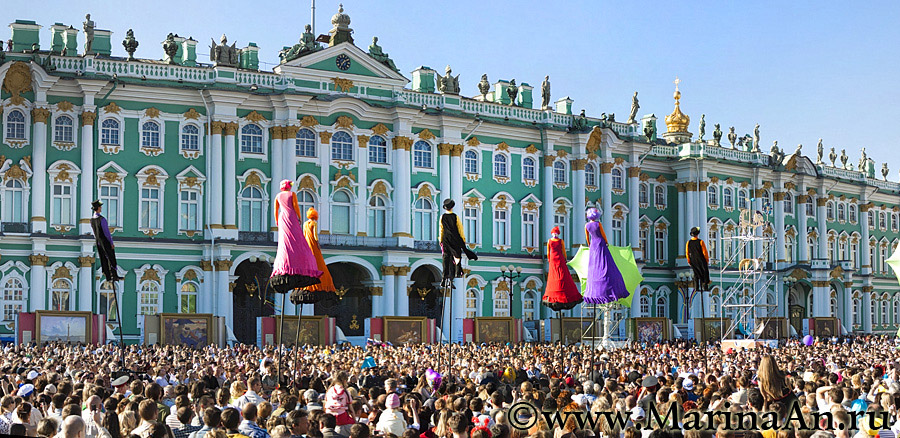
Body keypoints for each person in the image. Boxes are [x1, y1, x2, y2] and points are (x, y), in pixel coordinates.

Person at [269, 180, 322, 299]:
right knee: (296, 238)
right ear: (289, 186)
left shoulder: (278, 196)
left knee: (284, 241)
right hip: (291, 215)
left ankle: (286, 258)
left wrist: (277, 220)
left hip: (282, 217)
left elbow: (275, 210)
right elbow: (296, 207)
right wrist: (299, 217)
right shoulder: (292, 194)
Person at [582, 208, 628, 304]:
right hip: (600, 243)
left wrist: (590, 244)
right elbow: (603, 235)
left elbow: (587, 237)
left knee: (594, 263)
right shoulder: (598, 224)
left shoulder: (586, 225)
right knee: (605, 262)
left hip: (593, 245)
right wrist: (606, 242)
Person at [541, 226, 583, 312]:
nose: (555, 234)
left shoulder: (551, 241)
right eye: (554, 233)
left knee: (557, 273)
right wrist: (565, 258)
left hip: (554, 258)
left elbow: (549, 252)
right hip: (557, 258)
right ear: (553, 233)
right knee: (561, 272)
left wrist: (549, 259)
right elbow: (563, 251)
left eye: (556, 233)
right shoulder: (559, 241)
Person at [438, 199, 477, 288]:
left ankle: (444, 278)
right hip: (455, 239)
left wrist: (441, 240)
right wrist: (463, 240)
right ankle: (456, 274)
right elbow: (460, 229)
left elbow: (441, 229)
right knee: (456, 257)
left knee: (446, 258)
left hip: (446, 239)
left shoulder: (442, 217)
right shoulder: (455, 217)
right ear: (452, 207)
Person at [301, 208, 336, 297]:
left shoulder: (305, 224)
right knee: (317, 259)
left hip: (307, 243)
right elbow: (315, 235)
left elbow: (304, 235)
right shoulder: (314, 223)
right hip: (312, 243)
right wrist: (317, 244)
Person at [90, 200, 119, 282]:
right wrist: (111, 243)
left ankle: (107, 275)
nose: (101, 208)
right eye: (100, 206)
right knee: (111, 257)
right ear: (98, 208)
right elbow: (107, 233)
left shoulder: (92, 220)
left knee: (103, 258)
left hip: (98, 241)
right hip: (104, 241)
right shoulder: (102, 219)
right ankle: (114, 274)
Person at [685, 227, 710, 292]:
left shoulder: (688, 242)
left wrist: (689, 261)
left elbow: (687, 253)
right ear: (697, 234)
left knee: (696, 273)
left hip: (693, 260)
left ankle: (696, 287)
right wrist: (707, 260)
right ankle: (705, 285)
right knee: (704, 272)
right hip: (701, 259)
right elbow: (705, 252)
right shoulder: (701, 242)